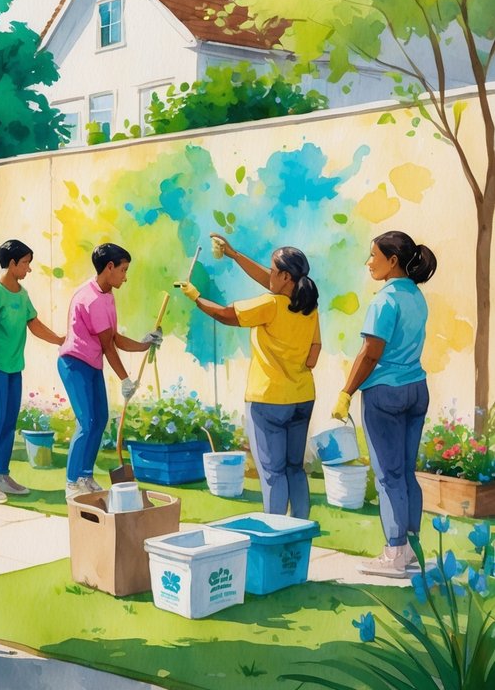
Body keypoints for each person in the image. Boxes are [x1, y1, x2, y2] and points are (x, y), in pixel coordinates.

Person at [175, 234, 320, 520]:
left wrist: (196, 297)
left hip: (267, 399)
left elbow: (227, 314)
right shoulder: (309, 307)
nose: (269, 276)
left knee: (272, 472)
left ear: (286, 277)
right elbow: (313, 355)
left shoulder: (270, 305)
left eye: (274, 271)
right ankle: (300, 526)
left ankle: (276, 530)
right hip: (302, 396)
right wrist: (234, 254)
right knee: (294, 469)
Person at [333, 231, 436, 578]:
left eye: (374, 256)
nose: (369, 262)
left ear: (393, 261)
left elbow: (370, 352)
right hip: (416, 389)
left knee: (388, 476)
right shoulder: (417, 297)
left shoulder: (385, 300)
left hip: (385, 394)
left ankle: (394, 553)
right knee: (406, 473)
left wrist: (346, 391)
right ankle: (409, 546)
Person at [58, 244, 162, 500]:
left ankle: (85, 475)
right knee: (86, 422)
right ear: (109, 267)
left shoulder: (106, 294)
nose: (125, 276)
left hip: (91, 363)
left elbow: (113, 338)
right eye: (124, 270)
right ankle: (72, 482)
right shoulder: (91, 299)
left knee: (100, 419)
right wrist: (125, 379)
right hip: (74, 363)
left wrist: (144, 344)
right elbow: (108, 346)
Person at [0, 239, 66, 503]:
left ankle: (1, 474)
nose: (29, 269)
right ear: (12, 264)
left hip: (12, 367)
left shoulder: (21, 294)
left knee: (9, 422)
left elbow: (34, 324)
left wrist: (59, 340)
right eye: (25, 263)